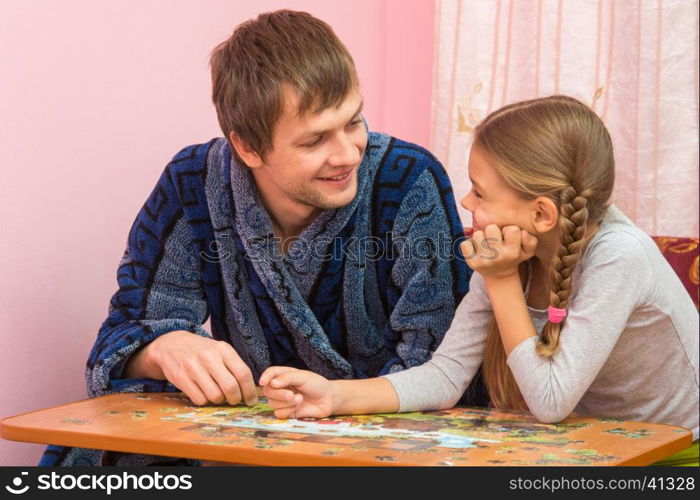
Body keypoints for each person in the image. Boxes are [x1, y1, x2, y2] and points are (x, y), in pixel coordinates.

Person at [38, 9, 483, 466]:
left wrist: (333, 404)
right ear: (247, 147)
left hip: (383, 432)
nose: (348, 152)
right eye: (314, 141)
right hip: (249, 436)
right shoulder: (194, 182)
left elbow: (444, 367)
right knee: (87, 459)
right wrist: (165, 347)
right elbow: (119, 342)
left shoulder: (408, 179)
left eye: (353, 122)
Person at [261, 95, 699, 465]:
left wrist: (503, 279)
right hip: (597, 449)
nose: (467, 201)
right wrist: (332, 397)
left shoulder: (619, 255)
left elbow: (550, 401)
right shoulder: (509, 248)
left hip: (677, 455)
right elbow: (447, 375)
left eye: (481, 192)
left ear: (542, 213)